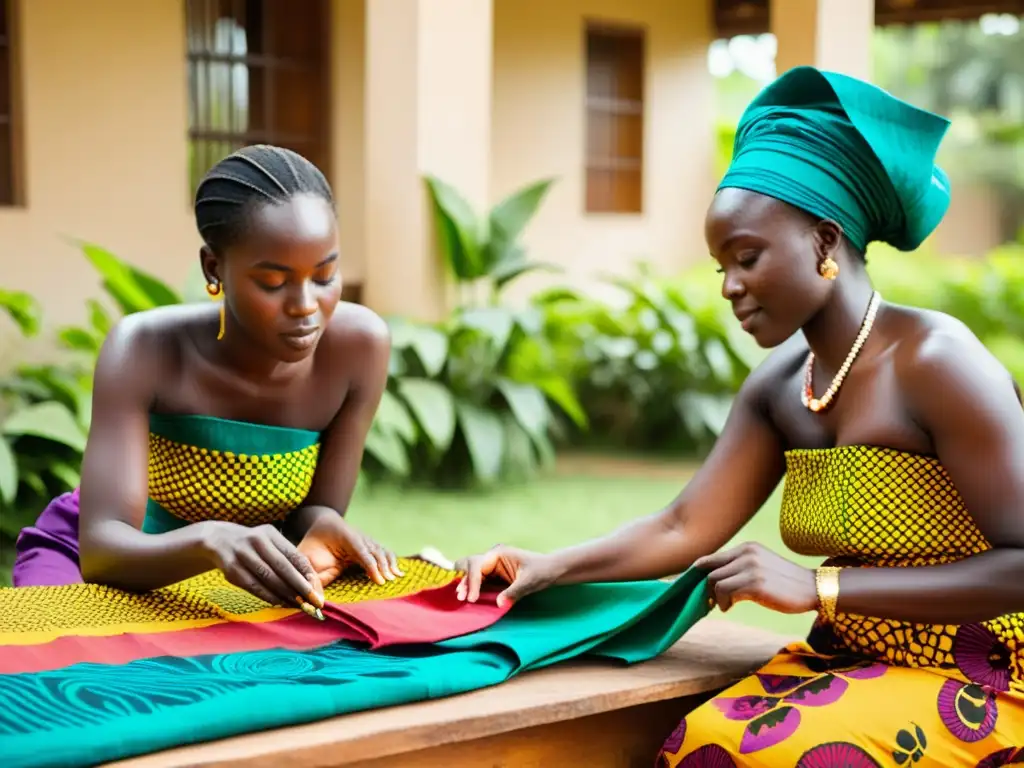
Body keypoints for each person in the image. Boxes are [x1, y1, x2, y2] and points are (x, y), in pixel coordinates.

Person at [454, 66, 1024, 765]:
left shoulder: (937, 361)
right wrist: (549, 567)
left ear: (822, 242)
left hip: (985, 673)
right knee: (699, 741)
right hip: (850, 656)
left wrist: (819, 585)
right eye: (721, 264)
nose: (728, 286)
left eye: (747, 257)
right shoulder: (782, 384)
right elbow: (683, 526)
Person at [13, 145, 404, 614]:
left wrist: (325, 525)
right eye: (274, 283)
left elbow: (312, 512)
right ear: (213, 268)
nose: (305, 305)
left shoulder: (359, 349)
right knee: (71, 672)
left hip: (242, 575)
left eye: (324, 275)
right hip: (104, 562)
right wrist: (209, 540)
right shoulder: (142, 349)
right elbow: (101, 549)